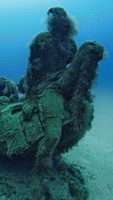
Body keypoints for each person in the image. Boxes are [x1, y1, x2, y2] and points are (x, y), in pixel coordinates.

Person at [23, 7, 78, 171]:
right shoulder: (41, 39)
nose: (58, 21)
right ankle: (40, 172)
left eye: (61, 18)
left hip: (62, 83)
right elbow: (32, 69)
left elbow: (72, 69)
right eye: (54, 18)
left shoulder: (71, 45)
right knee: (53, 134)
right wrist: (31, 98)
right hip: (46, 86)